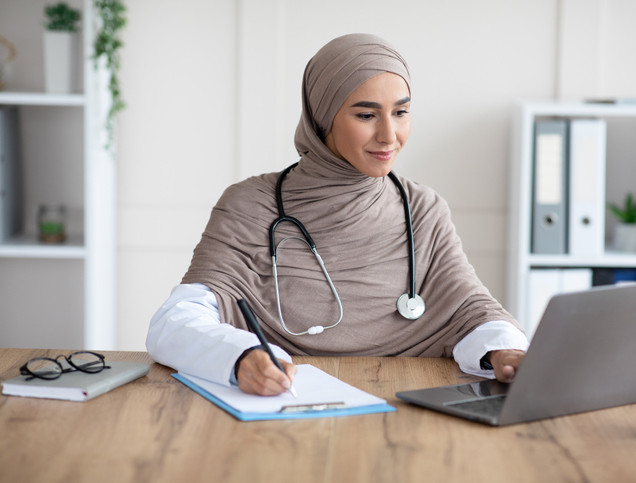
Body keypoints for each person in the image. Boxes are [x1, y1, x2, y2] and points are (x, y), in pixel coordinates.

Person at [146, 33, 529, 397]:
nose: (389, 135)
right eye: (366, 115)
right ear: (323, 117)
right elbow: (175, 322)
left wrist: (504, 352)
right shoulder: (250, 204)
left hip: (408, 403)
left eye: (401, 112)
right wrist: (241, 356)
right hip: (285, 404)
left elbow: (470, 308)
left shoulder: (423, 208)